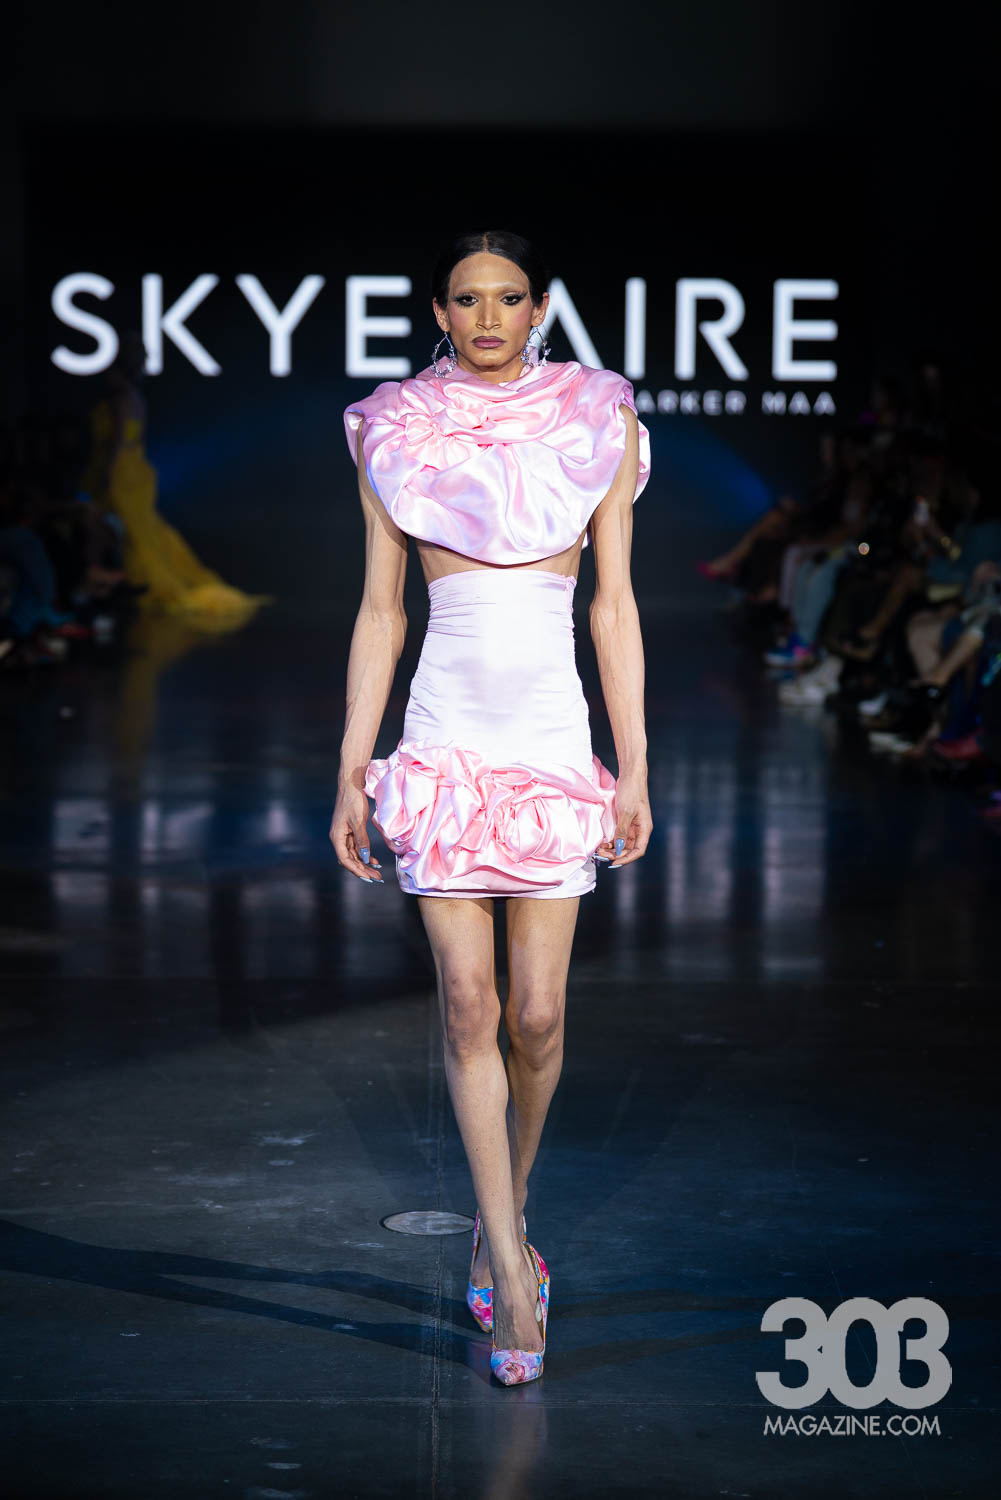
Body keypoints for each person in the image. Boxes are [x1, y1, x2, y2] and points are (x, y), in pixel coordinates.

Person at [329, 230, 652, 1386]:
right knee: (469, 1007)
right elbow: (382, 612)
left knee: (539, 1017)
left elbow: (612, 606)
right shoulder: (397, 427)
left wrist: (633, 762)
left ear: (538, 306)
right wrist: (352, 765)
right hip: (445, 741)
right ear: (438, 310)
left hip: (551, 741)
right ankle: (512, 1273)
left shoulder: (595, 417)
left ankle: (499, 1215)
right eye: (465, 299)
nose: (485, 317)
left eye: (506, 298)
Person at [82, 333, 270, 629]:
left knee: (129, 533)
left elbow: (118, 441)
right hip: (133, 470)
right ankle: (117, 589)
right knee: (136, 532)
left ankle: (123, 587)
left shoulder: (120, 399)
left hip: (119, 471)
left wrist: (106, 473)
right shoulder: (134, 397)